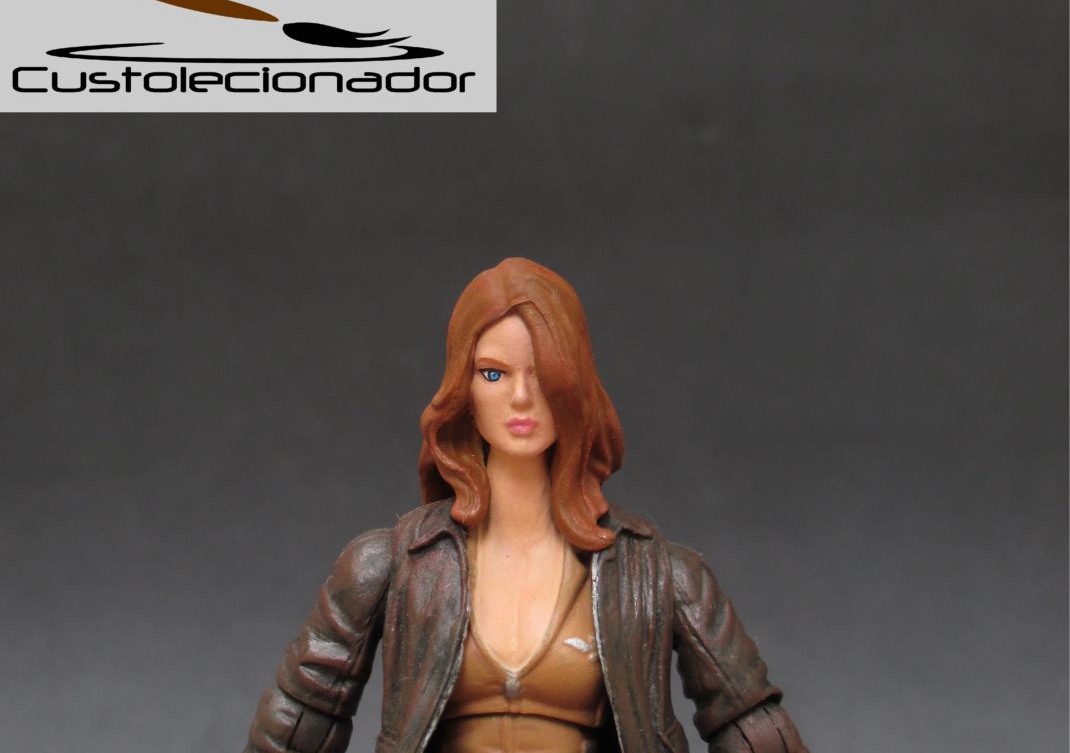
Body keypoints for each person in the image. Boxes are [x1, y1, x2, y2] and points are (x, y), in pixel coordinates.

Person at [244, 258, 808, 753]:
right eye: (494, 373)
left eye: (542, 374)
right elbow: (299, 723)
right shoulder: (391, 567)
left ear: (573, 385)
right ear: (464, 389)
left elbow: (752, 726)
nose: (520, 397)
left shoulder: (656, 575)